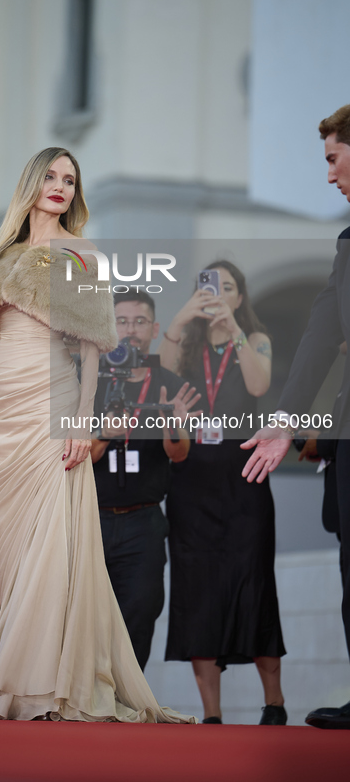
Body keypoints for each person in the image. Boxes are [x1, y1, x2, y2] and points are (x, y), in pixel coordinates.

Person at [0, 146, 197, 723]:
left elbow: (93, 346)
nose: (62, 187)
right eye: (52, 176)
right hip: (4, 404)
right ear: (32, 183)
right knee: (10, 554)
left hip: (55, 401)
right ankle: (16, 681)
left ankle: (45, 687)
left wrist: (84, 419)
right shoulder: (3, 257)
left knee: (52, 545)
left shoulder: (81, 253)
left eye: (71, 179)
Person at [242, 105, 350, 728]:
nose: (329, 176)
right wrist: (285, 421)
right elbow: (317, 337)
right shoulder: (347, 244)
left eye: (333, 159)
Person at [158, 261, 286, 724]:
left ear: (239, 296)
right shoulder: (185, 346)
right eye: (208, 287)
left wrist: (233, 330)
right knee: (197, 591)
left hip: (244, 480)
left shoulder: (255, 339)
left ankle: (274, 703)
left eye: (227, 287)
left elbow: (259, 383)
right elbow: (162, 379)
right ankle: (212, 715)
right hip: (192, 483)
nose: (218, 294)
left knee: (254, 585)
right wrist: (180, 319)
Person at [90, 290, 199, 669]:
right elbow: (73, 456)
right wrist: (104, 433)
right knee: (86, 616)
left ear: (154, 329)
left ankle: (126, 706)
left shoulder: (169, 382)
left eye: (139, 322)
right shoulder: (90, 382)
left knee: (141, 611)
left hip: (145, 521)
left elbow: (180, 453)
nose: (130, 330)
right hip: (92, 519)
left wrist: (172, 425)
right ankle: (86, 703)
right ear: (109, 327)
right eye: (121, 321)